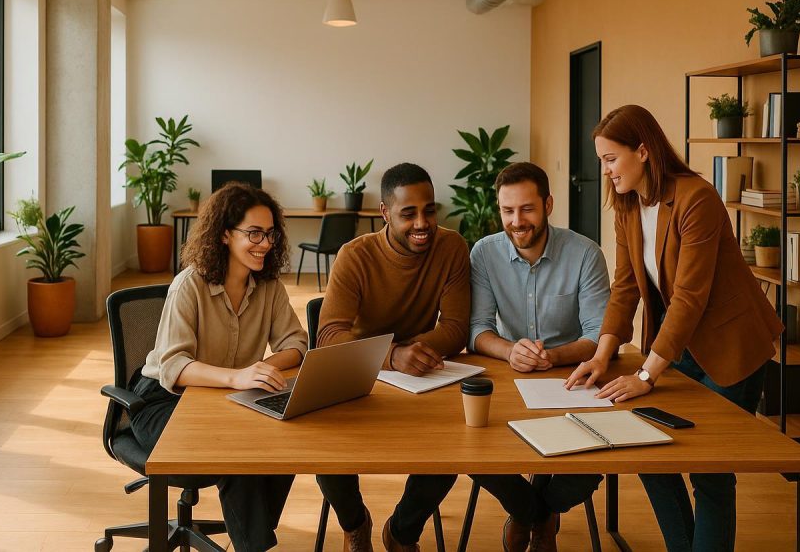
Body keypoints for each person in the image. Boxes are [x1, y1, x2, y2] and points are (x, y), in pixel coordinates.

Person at [566, 105, 784, 552]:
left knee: (710, 471)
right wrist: (602, 356)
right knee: (650, 455)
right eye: (601, 161)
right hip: (677, 344)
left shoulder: (695, 198)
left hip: (731, 346)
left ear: (642, 152)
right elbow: (624, 288)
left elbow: (689, 296)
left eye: (611, 159)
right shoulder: (627, 206)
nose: (606, 171)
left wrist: (646, 375)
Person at [129, 182, 309, 552]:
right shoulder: (188, 286)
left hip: (227, 398)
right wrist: (239, 376)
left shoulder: (269, 287)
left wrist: (262, 367)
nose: (265, 243)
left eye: (270, 233)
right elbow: (174, 365)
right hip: (162, 403)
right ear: (225, 234)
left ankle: (253, 541)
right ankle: (253, 545)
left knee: (286, 435)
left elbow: (296, 344)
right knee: (236, 451)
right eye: (254, 233)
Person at [316, 162, 470, 552]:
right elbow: (329, 335)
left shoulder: (451, 247)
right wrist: (392, 354)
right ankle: (355, 523)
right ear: (385, 213)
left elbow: (455, 328)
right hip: (360, 376)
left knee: (457, 444)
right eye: (408, 213)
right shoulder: (355, 256)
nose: (423, 223)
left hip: (423, 376)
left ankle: (402, 532)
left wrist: (411, 353)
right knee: (323, 449)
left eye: (430, 210)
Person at [467, 162, 608, 551]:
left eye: (527, 209)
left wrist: (556, 356)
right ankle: (535, 514)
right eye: (507, 211)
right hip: (510, 382)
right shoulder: (484, 253)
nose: (517, 221)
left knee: (596, 460)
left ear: (548, 204)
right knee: (467, 448)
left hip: (573, 381)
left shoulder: (585, 254)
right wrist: (511, 350)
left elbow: (598, 335)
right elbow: (477, 330)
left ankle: (536, 511)